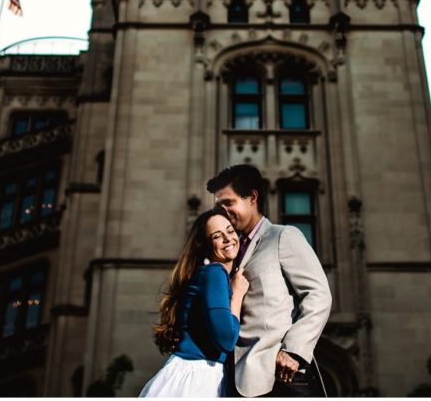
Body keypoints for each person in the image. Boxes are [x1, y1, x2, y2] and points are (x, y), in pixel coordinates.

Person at [208, 164, 332, 397]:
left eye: (228, 203)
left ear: (252, 197)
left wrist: (294, 350)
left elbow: (319, 294)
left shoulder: (283, 236)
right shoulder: (229, 251)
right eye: (218, 206)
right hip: (234, 381)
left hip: (278, 376)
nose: (222, 211)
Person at [140, 209, 250, 397]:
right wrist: (238, 295)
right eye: (217, 236)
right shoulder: (214, 273)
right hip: (196, 378)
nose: (227, 238)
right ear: (206, 246)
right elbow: (226, 339)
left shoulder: (210, 275)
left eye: (230, 231)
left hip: (197, 373)